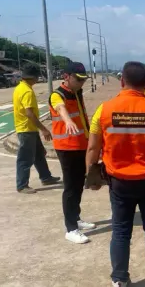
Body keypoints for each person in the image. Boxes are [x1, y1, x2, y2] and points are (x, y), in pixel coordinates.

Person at [86, 61, 145, 287]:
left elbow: (92, 148)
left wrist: (91, 175)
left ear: (122, 81)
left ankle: (120, 280)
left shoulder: (104, 109)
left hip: (119, 182)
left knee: (120, 230)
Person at [49, 62, 96, 244]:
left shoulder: (77, 92)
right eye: (78, 79)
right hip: (66, 147)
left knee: (78, 185)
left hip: (81, 144)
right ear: (66, 76)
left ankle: (76, 218)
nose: (81, 83)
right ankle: (71, 229)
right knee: (70, 188)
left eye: (84, 80)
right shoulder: (57, 94)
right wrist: (67, 120)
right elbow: (60, 108)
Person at [13, 65, 60, 194]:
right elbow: (29, 113)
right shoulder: (27, 91)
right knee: (25, 157)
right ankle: (22, 185)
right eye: (37, 77)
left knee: (39, 154)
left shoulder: (20, 88)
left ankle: (46, 177)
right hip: (26, 129)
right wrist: (44, 129)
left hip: (29, 128)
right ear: (32, 78)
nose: (37, 79)